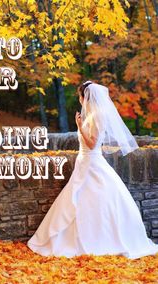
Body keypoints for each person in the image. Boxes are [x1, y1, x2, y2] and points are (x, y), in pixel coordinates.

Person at [27, 81, 158, 259]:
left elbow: (93, 143)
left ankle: (98, 240)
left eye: (80, 97)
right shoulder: (94, 114)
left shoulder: (97, 116)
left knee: (92, 200)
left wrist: (79, 126)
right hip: (85, 161)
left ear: (85, 97)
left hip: (92, 162)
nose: (80, 100)